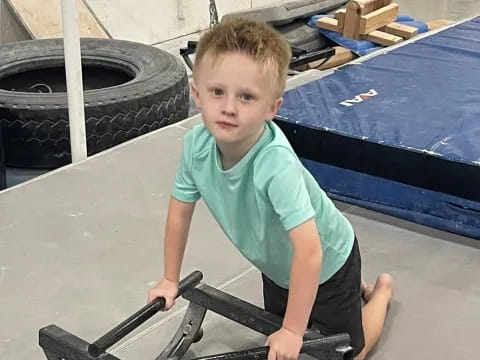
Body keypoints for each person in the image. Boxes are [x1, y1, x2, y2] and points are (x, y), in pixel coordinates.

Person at [148, 17, 393, 360]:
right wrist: (169, 279)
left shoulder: (274, 163)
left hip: (327, 263)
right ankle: (354, 293)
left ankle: (380, 293)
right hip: (279, 268)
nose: (229, 107)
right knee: (277, 336)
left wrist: (293, 330)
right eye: (218, 92)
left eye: (247, 97)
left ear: (272, 108)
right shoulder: (195, 145)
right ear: (197, 94)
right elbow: (178, 214)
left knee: (348, 352)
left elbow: (310, 252)